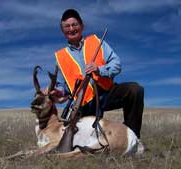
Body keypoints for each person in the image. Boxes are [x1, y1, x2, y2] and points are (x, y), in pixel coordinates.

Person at [46, 9, 144, 154]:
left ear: (82, 26)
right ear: (63, 31)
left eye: (74, 25)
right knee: (79, 138)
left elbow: (116, 64)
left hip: (106, 92)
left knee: (135, 90)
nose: (71, 29)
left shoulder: (97, 42)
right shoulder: (60, 57)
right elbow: (66, 88)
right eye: (67, 26)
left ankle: (133, 138)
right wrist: (58, 95)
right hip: (83, 103)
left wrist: (100, 69)